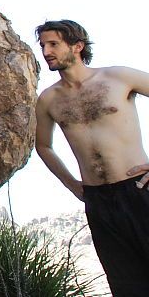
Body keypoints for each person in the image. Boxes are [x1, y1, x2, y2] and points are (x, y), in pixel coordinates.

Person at [35, 20, 149, 296]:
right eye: (42, 46)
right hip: (98, 200)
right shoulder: (48, 100)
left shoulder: (118, 77)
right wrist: (71, 184)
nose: (46, 51)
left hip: (140, 189)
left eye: (53, 44)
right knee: (126, 284)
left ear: (77, 46)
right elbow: (44, 147)